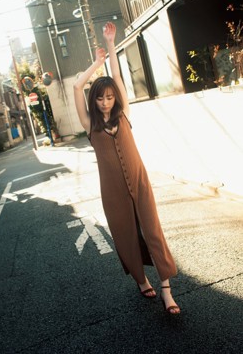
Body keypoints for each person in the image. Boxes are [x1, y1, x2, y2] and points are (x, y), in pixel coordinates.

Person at [73, 22, 180, 315]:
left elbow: (117, 75)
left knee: (153, 232)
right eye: (100, 97)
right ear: (94, 101)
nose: (106, 102)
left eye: (109, 97)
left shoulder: (125, 115)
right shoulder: (90, 125)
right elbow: (75, 86)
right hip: (112, 191)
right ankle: (141, 279)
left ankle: (167, 291)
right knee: (125, 235)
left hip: (139, 181)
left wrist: (110, 45)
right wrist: (96, 64)